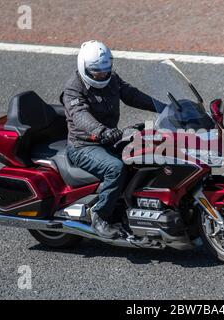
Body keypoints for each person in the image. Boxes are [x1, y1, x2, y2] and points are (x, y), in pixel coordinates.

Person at [62, 40, 156, 239]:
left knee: (148, 151)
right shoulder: (74, 88)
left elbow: (131, 94)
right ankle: (100, 216)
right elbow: (80, 116)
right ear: (85, 67)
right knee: (115, 168)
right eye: (97, 72)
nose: (102, 75)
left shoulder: (111, 78)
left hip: (108, 138)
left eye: (106, 70)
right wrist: (102, 131)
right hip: (84, 145)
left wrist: (162, 106)